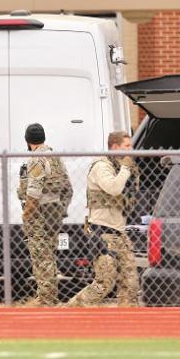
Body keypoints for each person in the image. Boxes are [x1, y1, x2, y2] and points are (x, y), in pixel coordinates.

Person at [67, 131, 140, 307]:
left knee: (131, 284)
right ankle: (71, 309)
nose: (131, 149)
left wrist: (130, 172)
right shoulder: (102, 166)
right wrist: (126, 168)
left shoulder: (119, 166)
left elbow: (130, 195)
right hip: (103, 233)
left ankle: (128, 321)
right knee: (104, 284)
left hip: (120, 233)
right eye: (127, 146)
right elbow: (113, 188)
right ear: (115, 147)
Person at [17, 123, 73, 306]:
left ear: (27, 140)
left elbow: (33, 194)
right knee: (50, 255)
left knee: (41, 257)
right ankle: (50, 296)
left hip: (39, 214)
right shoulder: (55, 157)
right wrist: (60, 209)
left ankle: (46, 299)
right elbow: (68, 189)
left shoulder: (36, 159)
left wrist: (26, 216)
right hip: (54, 212)